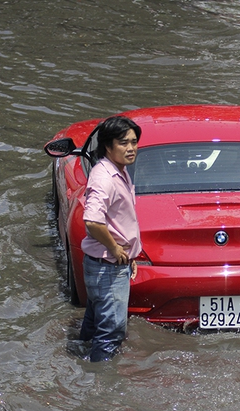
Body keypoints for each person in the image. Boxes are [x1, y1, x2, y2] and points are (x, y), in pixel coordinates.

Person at [78, 115, 142, 362]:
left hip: (105, 264)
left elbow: (117, 221)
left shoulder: (117, 171)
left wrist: (129, 255)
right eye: (123, 143)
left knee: (94, 324)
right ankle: (100, 384)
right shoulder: (105, 177)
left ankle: (80, 365)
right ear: (107, 146)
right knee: (111, 333)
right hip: (107, 267)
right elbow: (93, 222)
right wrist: (115, 249)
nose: (131, 148)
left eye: (134, 142)